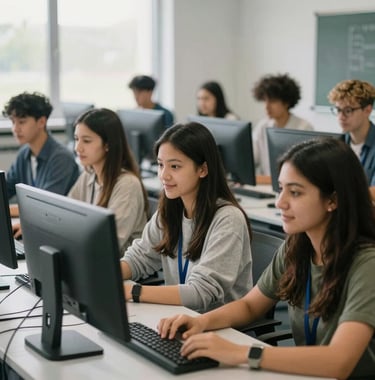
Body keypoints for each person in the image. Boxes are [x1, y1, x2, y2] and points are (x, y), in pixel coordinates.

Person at [158, 138, 375, 380]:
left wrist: (242, 353)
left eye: (295, 192)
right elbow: (250, 305)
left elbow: (340, 361)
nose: (281, 202)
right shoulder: (297, 248)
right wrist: (201, 322)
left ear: (332, 200)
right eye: (280, 189)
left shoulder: (366, 264)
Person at [120, 122, 253, 313]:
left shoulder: (228, 219)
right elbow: (140, 257)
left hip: (218, 329)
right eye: (160, 165)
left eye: (175, 166)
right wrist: (109, 277)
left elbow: (200, 293)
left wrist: (134, 291)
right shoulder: (171, 209)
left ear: (203, 169)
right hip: (178, 317)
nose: (164, 175)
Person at [68, 108, 148, 256]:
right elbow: (67, 216)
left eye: (86, 141)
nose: (77, 148)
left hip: (120, 269)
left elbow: (108, 242)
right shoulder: (88, 175)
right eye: (76, 139)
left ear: (107, 144)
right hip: (90, 258)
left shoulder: (127, 184)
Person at [2, 92, 79, 231]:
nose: (15, 128)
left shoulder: (61, 158)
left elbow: (44, 208)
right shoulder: (24, 153)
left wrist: (5, 210)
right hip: (37, 227)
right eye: (13, 122)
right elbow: (6, 189)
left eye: (22, 122)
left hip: (56, 231)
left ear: (41, 122)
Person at [252, 73, 313, 176]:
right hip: (266, 184)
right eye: (265, 101)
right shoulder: (262, 126)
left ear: (286, 102)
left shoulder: (304, 127)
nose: (266, 106)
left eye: (272, 101)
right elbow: (253, 158)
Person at [328, 79, 375, 201]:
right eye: (338, 110)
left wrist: (339, 198)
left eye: (348, 111)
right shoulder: (337, 143)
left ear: (367, 110)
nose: (341, 117)